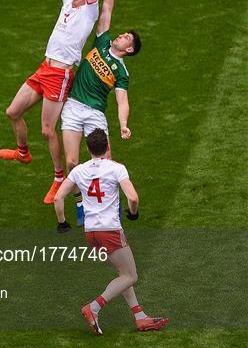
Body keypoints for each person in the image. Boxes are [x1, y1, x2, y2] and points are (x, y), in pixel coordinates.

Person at [0, 0, 99, 204]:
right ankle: (22, 152)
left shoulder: (89, 12)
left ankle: (58, 179)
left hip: (61, 74)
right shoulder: (68, 1)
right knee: (12, 112)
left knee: (46, 129)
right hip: (44, 67)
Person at [54, 128, 169, 334]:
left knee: (122, 273)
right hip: (111, 230)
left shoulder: (78, 170)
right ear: (107, 147)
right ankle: (94, 307)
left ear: (87, 148)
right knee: (131, 276)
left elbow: (58, 198)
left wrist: (62, 222)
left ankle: (140, 316)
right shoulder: (116, 168)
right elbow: (132, 198)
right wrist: (133, 214)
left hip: (91, 234)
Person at [60, 0, 142, 225]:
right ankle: (82, 204)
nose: (121, 36)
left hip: (95, 113)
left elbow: (122, 101)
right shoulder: (103, 40)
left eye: (126, 38)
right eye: (123, 34)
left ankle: (110, 210)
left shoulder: (121, 71)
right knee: (72, 164)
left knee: (107, 165)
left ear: (129, 49)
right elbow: (107, 7)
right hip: (73, 106)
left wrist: (124, 124)